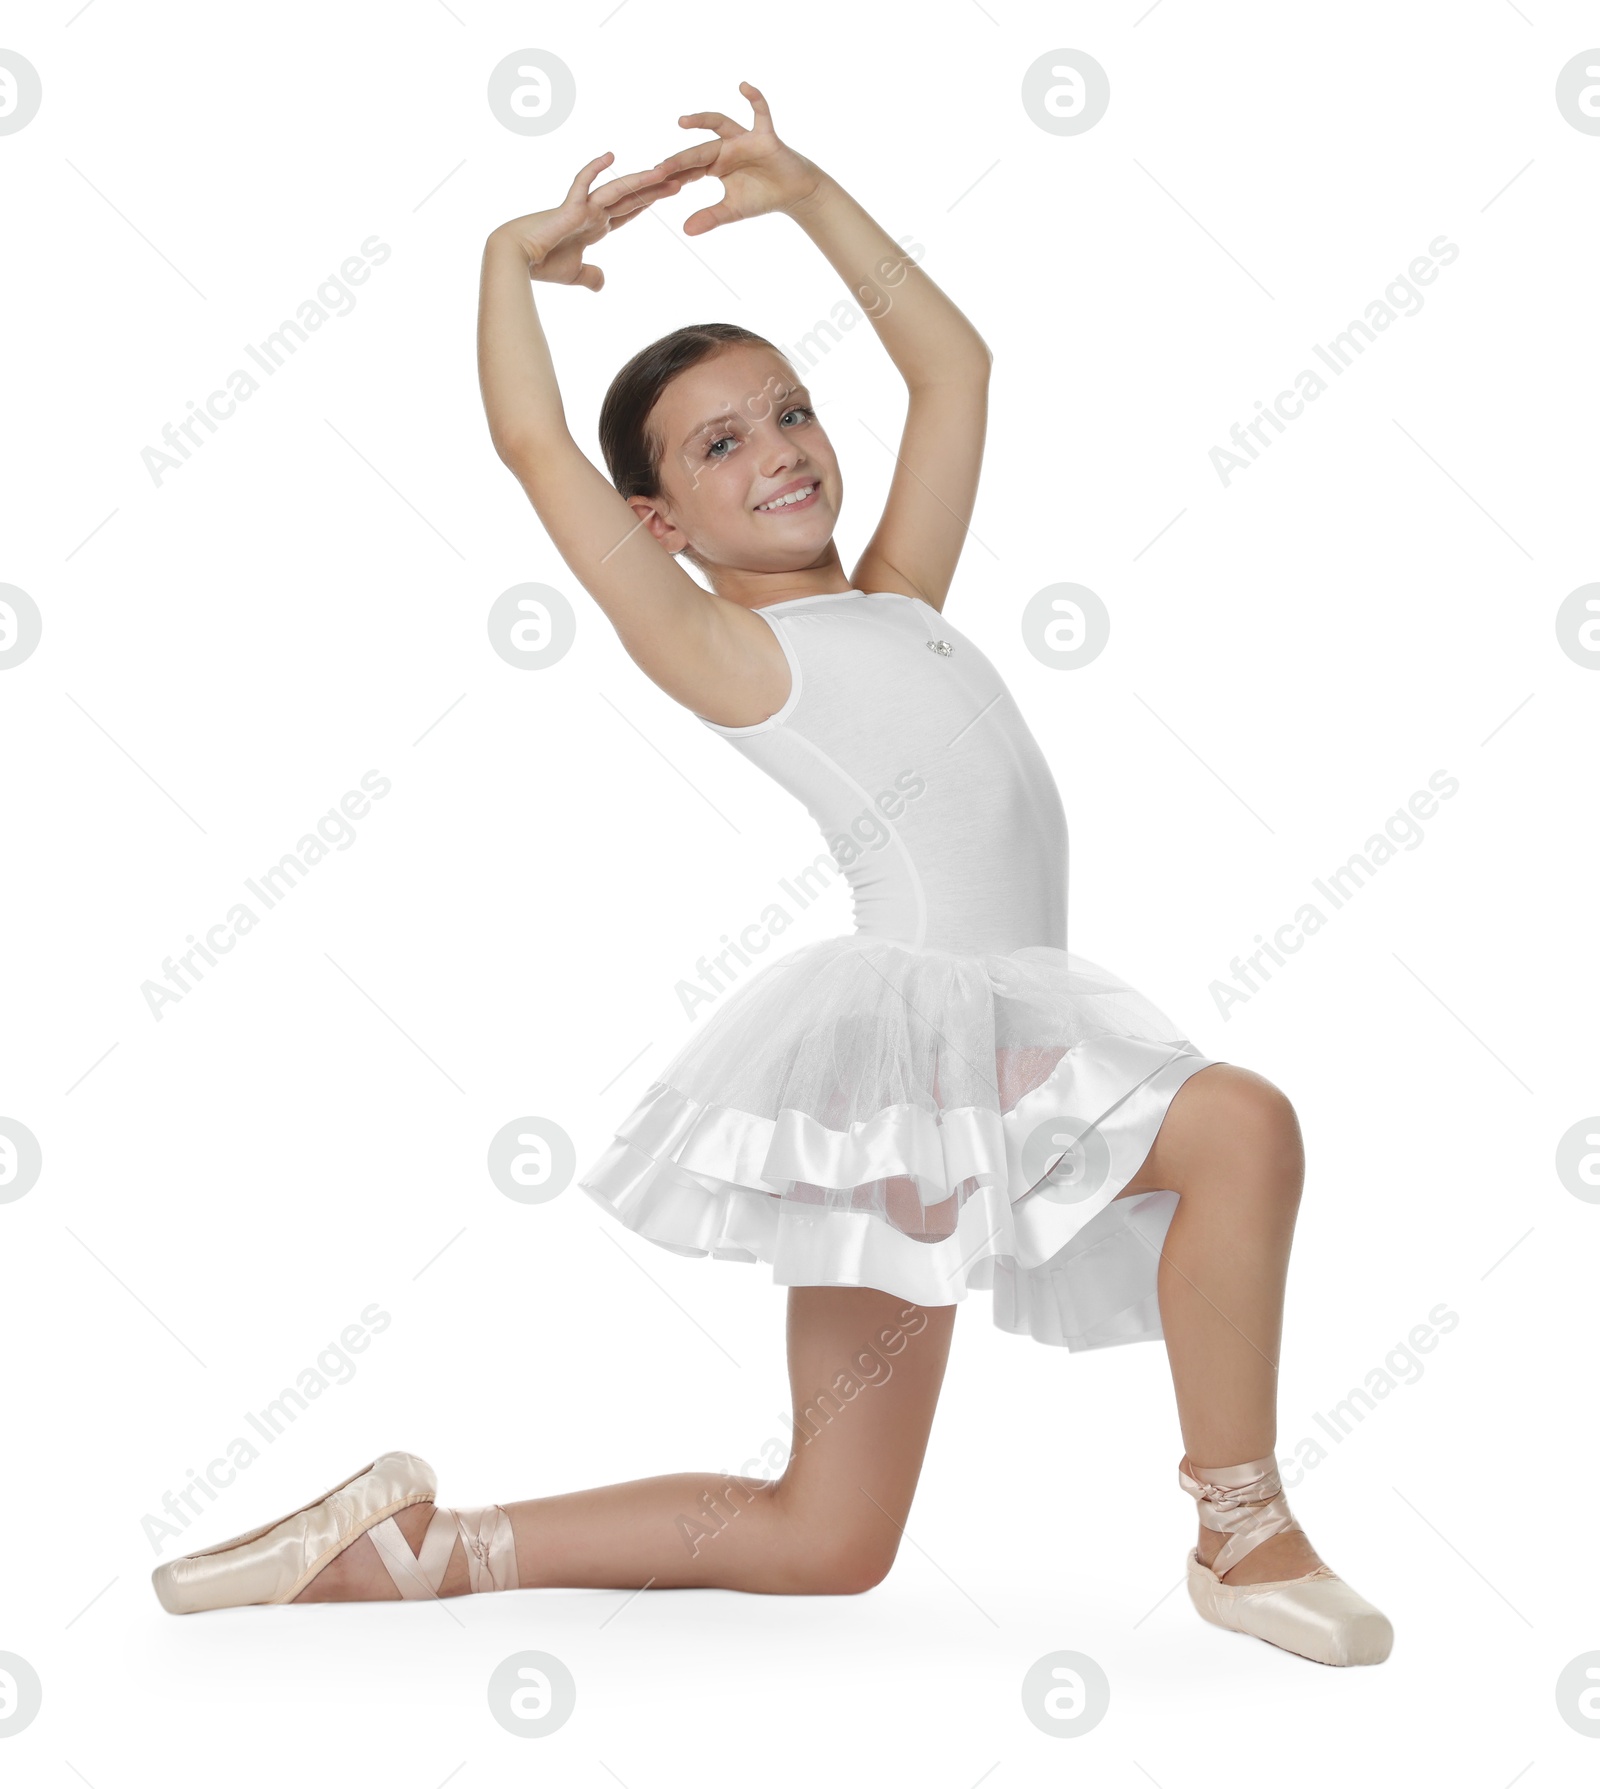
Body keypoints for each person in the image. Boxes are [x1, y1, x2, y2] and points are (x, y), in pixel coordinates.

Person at [151, 83, 1391, 1668]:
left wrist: (808, 192)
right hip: (917, 1047)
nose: (783, 451)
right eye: (722, 446)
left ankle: (418, 1549)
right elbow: (533, 441)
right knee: (1243, 1125)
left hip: (961, 1063)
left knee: (829, 1536)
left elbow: (956, 368)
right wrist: (501, 261)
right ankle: (1241, 1522)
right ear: (659, 520)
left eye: (793, 410)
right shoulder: (731, 651)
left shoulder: (895, 593)